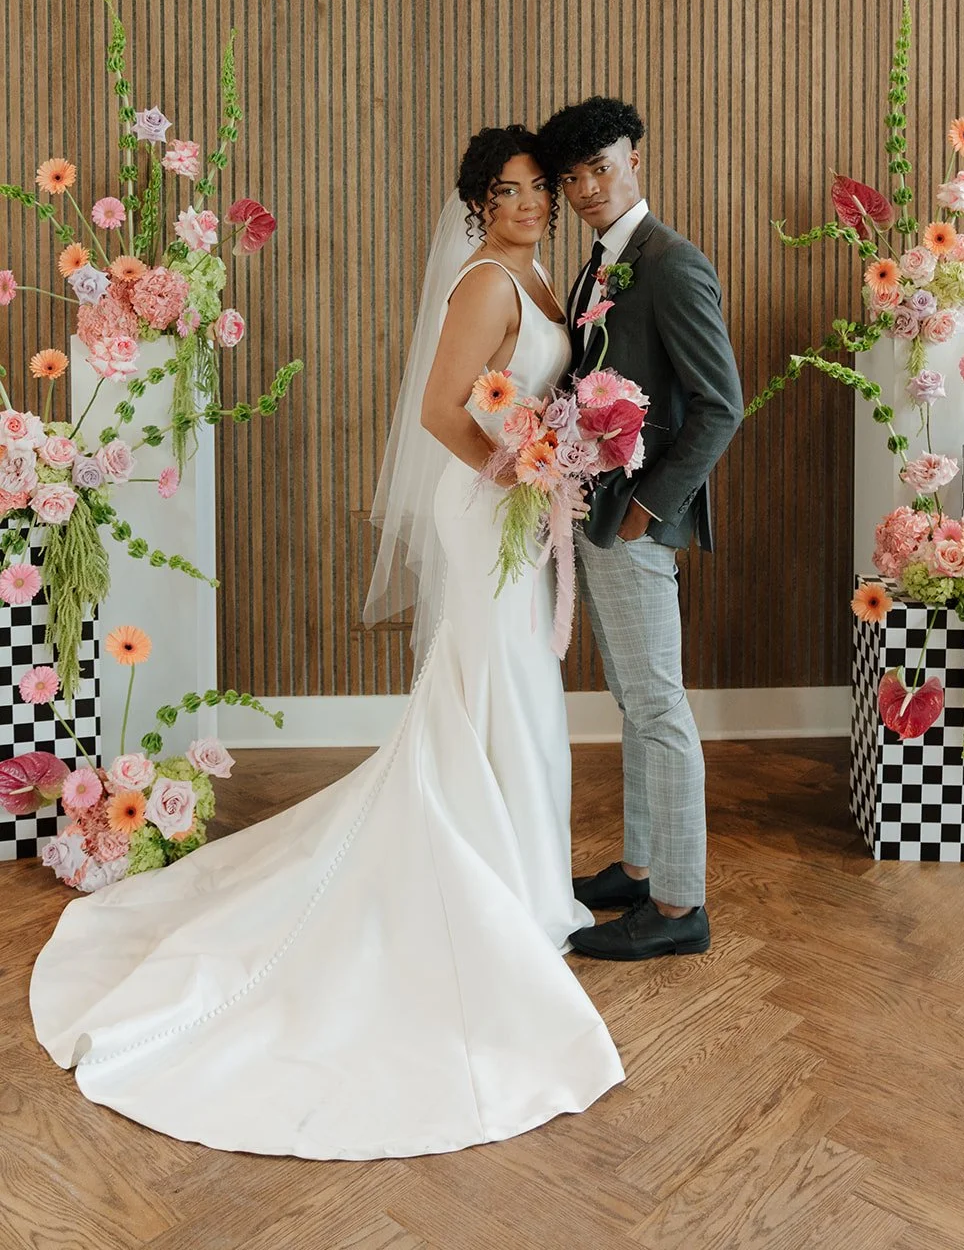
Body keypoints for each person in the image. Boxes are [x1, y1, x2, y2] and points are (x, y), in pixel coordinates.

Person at [29, 125, 623, 1161]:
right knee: (501, 685)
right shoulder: (487, 282)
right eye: (508, 190)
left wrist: (547, 454)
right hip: (486, 508)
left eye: (537, 187)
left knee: (517, 688)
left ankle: (525, 881)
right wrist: (518, 468)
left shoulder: (545, 279)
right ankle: (508, 888)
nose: (528, 202)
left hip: (520, 512)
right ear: (476, 206)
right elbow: (443, 408)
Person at [537, 97, 744, 963]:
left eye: (601, 166)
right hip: (595, 509)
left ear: (634, 159)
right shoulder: (600, 264)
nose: (587, 187)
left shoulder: (670, 263)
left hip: (634, 522)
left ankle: (679, 904)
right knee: (631, 701)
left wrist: (647, 513)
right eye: (572, 176)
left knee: (658, 706)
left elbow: (719, 406)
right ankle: (638, 865)